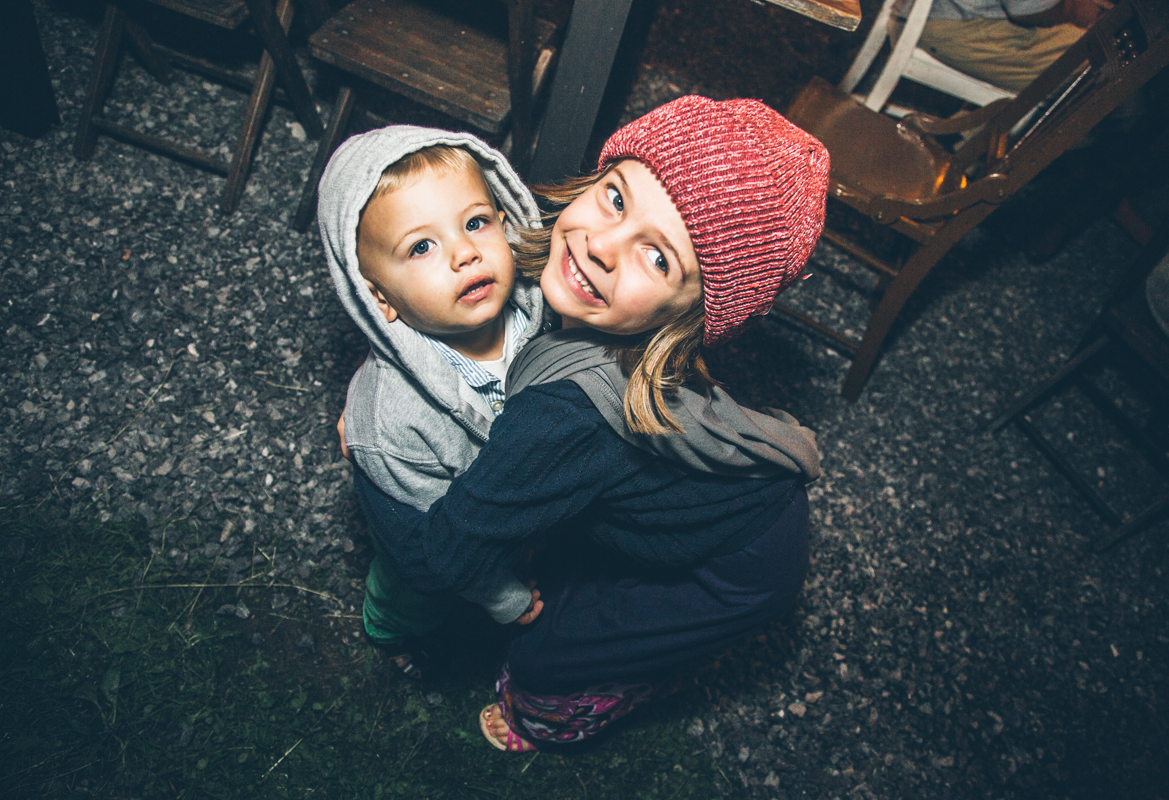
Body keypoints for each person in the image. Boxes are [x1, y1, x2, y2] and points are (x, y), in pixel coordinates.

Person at [346, 95, 830, 751]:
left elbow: (446, 555)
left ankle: (553, 716)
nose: (601, 246)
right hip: (733, 506)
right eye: (616, 198)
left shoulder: (568, 418)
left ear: (690, 321)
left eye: (659, 258)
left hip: (737, 569)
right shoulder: (574, 274)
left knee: (554, 656)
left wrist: (373, 462)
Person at [318, 127, 548, 679]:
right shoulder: (393, 424)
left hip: (508, 511)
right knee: (412, 591)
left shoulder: (545, 314)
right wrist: (502, 596)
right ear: (380, 299)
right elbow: (435, 545)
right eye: (421, 246)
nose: (465, 252)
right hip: (424, 537)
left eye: (475, 222)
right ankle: (386, 630)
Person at [917, 0, 1111, 93]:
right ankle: (968, 154)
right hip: (943, 19)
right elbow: (1024, 10)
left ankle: (961, 139)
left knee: (1097, 51)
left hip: (951, 11)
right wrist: (1075, 11)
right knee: (1090, 65)